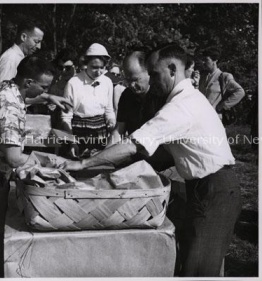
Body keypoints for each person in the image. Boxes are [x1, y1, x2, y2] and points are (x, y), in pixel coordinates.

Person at [63, 44, 241, 277]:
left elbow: (133, 144)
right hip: (204, 188)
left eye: (155, 74)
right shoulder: (185, 99)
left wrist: (83, 164)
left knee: (198, 270)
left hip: (214, 189)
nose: (153, 81)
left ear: (172, 69)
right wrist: (119, 167)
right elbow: (162, 154)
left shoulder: (181, 106)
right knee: (192, 261)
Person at [0, 56, 72, 180]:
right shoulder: (10, 108)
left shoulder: (6, 86)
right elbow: (14, 159)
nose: (45, 91)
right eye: (44, 87)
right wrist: (51, 161)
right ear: (28, 82)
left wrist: (48, 97)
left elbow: (24, 97)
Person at [108, 51, 171, 170]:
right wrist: (105, 156)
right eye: (127, 80)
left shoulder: (163, 95)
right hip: (137, 160)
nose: (131, 84)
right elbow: (118, 130)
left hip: (164, 163)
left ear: (148, 72)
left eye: (135, 79)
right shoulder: (127, 95)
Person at [61, 43, 116, 158]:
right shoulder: (73, 83)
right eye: (94, 67)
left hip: (101, 134)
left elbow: (109, 110)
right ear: (86, 64)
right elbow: (66, 116)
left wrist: (111, 123)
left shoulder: (107, 82)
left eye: (102, 67)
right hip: (78, 134)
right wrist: (72, 141)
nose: (98, 71)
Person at [198, 47, 245, 120]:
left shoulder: (224, 77)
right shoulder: (202, 77)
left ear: (215, 61)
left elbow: (240, 92)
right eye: (203, 60)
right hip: (200, 117)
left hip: (214, 118)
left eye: (206, 60)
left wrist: (221, 106)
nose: (203, 62)